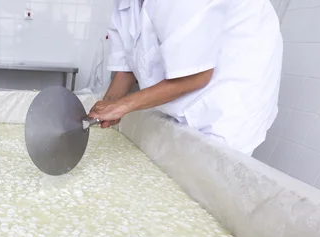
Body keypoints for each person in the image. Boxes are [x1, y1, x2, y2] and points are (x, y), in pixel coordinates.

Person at [87, 0, 283, 155]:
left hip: (226, 101)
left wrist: (122, 106)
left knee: (209, 182)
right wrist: (103, 110)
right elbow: (127, 67)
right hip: (181, 98)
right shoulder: (125, 3)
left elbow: (197, 76)